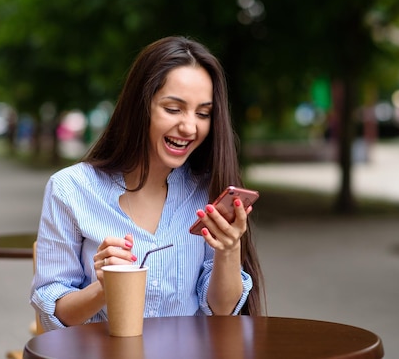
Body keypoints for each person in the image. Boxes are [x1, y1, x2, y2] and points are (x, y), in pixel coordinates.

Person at [30, 36, 265, 330]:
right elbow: (54, 317)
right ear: (140, 106)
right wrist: (105, 285)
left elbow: (221, 310)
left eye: (203, 113)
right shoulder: (71, 189)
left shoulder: (207, 192)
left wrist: (229, 249)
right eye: (173, 109)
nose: (190, 127)